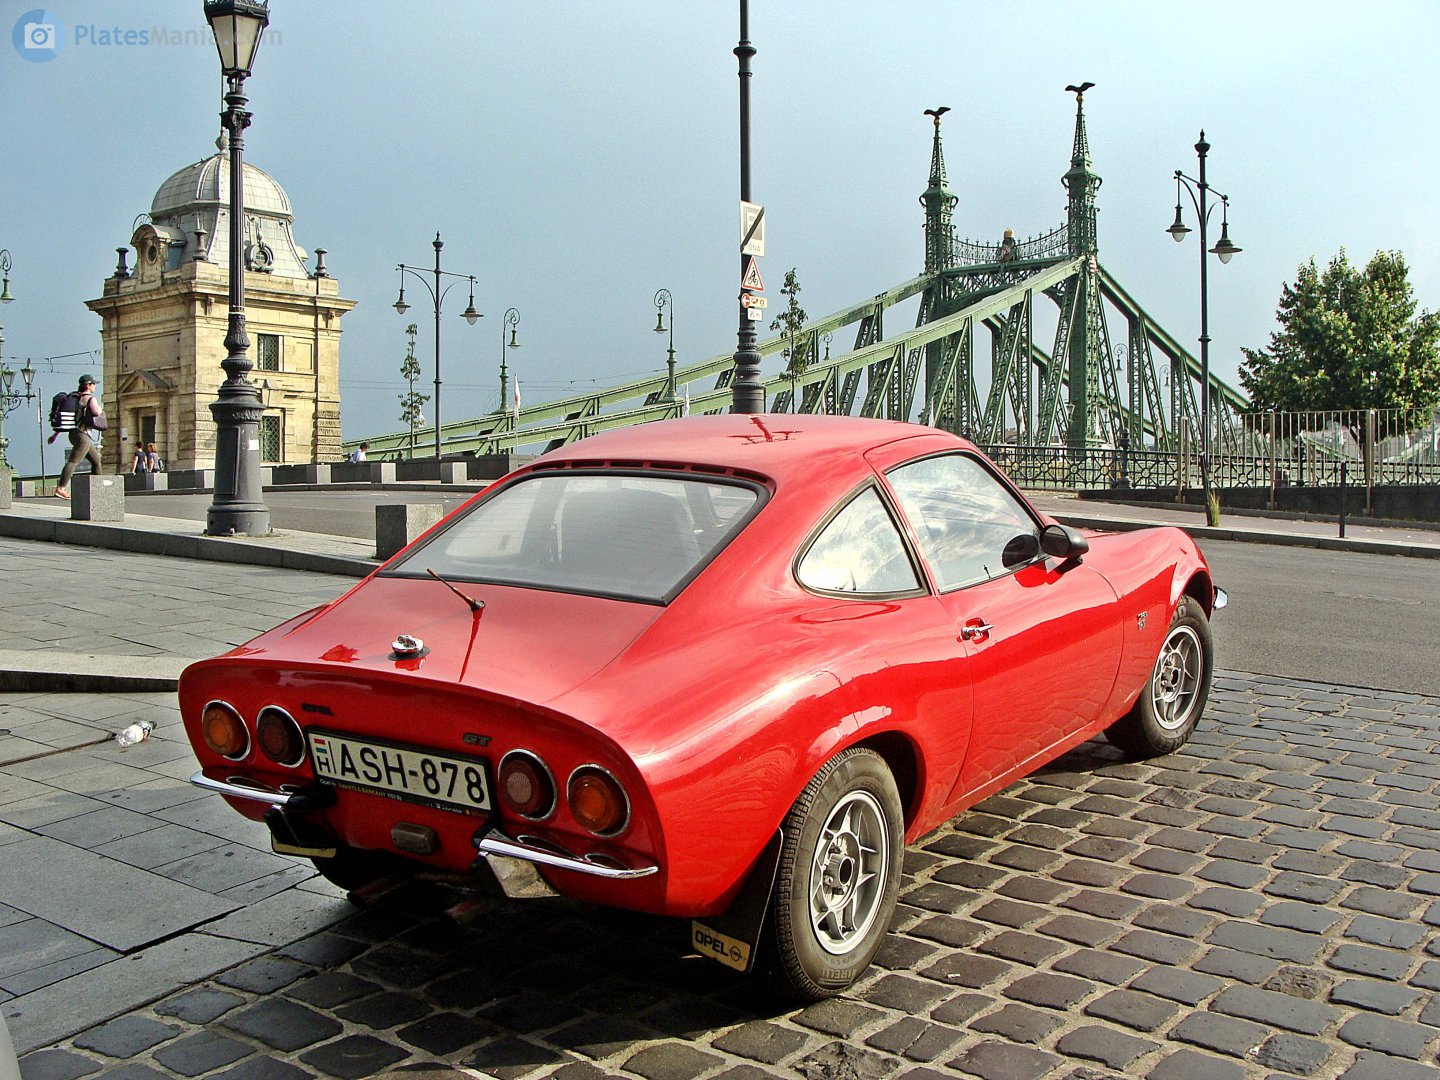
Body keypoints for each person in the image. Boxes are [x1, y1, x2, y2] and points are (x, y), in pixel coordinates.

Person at [51, 374, 106, 500]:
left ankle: (98, 489)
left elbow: (70, 418)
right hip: (82, 436)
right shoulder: (90, 398)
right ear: (88, 385)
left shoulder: (75, 398)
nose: (95, 386)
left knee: (96, 460)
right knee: (74, 461)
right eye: (93, 384)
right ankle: (61, 488)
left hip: (73, 434)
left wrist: (55, 434)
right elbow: (97, 412)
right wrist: (100, 409)